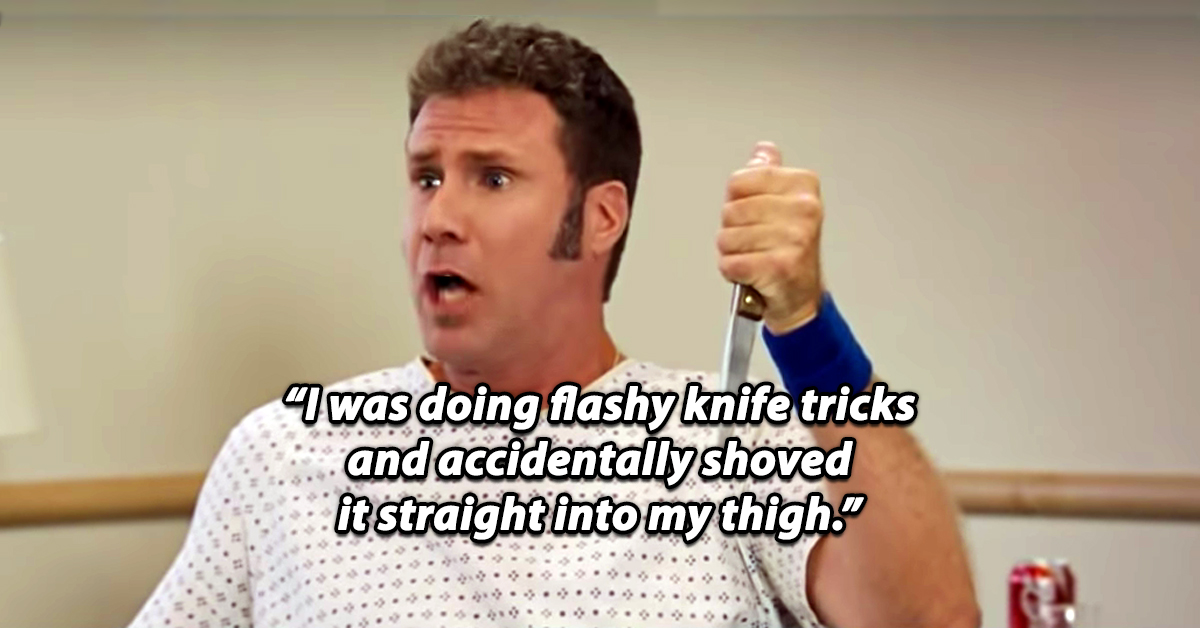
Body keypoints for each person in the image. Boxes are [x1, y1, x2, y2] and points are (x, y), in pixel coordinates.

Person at [129, 19, 978, 628]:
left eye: (492, 178)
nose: (438, 219)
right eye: (426, 178)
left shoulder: (730, 446)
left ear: (600, 217)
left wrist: (805, 328)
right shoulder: (283, 457)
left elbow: (932, 618)